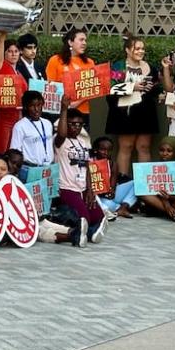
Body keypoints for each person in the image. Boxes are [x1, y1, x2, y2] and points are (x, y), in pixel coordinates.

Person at [105, 35, 160, 176]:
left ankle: (144, 184)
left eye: (142, 49)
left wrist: (153, 89)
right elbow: (110, 89)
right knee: (126, 146)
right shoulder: (118, 67)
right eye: (137, 48)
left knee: (144, 146)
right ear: (128, 50)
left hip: (146, 112)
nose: (141, 51)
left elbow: (156, 88)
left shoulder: (150, 68)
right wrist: (132, 87)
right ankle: (122, 181)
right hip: (125, 112)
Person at [53, 101, 105, 247]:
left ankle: (88, 234)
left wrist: (90, 189)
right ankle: (78, 235)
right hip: (67, 188)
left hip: (82, 188)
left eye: (79, 124)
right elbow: (62, 133)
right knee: (84, 218)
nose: (76, 127)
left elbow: (88, 167)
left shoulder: (83, 142)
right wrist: (64, 109)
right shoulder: (60, 141)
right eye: (72, 124)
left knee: (99, 216)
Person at [46, 29, 96, 122]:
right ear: (70, 42)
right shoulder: (55, 60)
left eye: (85, 40)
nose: (84, 43)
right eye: (81, 40)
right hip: (60, 111)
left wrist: (76, 103)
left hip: (84, 112)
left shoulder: (90, 63)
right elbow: (50, 86)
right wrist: (66, 104)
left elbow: (92, 88)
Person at [9, 90, 54, 172]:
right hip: (31, 168)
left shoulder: (48, 123)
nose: (36, 109)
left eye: (39, 105)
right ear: (26, 107)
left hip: (48, 168)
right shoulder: (20, 126)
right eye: (32, 106)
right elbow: (15, 152)